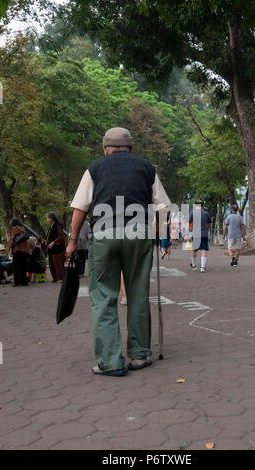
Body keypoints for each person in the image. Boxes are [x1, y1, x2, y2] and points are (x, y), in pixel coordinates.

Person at [66, 127, 171, 377]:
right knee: (137, 292)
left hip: (104, 233)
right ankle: (139, 355)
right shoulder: (147, 167)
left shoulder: (95, 168)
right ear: (131, 148)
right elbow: (163, 207)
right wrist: (159, 236)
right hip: (139, 234)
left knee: (104, 297)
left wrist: (72, 241)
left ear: (105, 149)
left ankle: (110, 362)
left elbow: (80, 208)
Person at [185, 199, 211, 273]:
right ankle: (202, 267)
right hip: (204, 233)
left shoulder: (192, 213)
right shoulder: (206, 213)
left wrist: (186, 234)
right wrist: (205, 229)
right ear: (202, 206)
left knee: (194, 250)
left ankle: (193, 265)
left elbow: (187, 223)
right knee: (204, 250)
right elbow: (209, 224)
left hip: (195, 234)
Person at [8, 218, 31, 286]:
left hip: (18, 250)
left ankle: (17, 282)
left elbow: (13, 240)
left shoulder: (15, 229)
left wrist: (10, 246)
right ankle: (24, 282)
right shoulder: (22, 229)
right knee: (23, 267)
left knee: (17, 267)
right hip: (25, 250)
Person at [46, 212, 67, 283]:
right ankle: (55, 278)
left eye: (47, 218)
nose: (47, 220)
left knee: (58, 264)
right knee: (52, 264)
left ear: (51, 218)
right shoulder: (51, 226)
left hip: (57, 249)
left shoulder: (57, 225)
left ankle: (60, 278)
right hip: (51, 249)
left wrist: (53, 242)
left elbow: (61, 236)